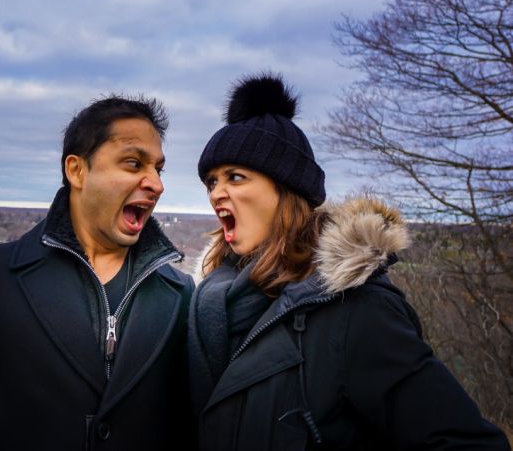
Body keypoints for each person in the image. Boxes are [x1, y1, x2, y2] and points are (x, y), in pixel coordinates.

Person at [188, 73, 511, 450]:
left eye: (235, 177)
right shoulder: (213, 303)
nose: (216, 193)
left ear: (287, 190)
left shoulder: (357, 310)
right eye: (211, 182)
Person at [0, 96, 194, 450]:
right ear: (77, 170)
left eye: (158, 169)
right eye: (133, 163)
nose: (156, 183)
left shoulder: (180, 295)